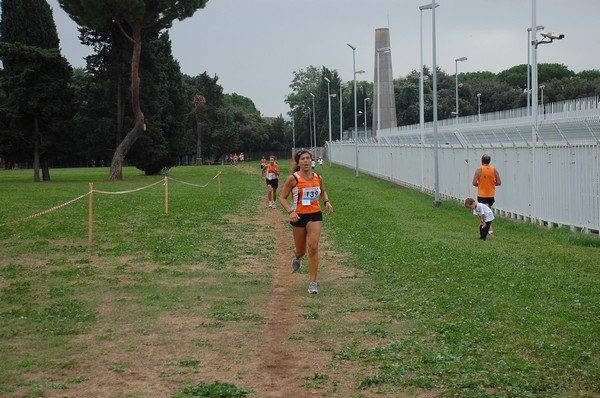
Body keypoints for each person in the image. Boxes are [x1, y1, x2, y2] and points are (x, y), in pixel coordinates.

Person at [279, 150, 333, 294]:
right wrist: (291, 212)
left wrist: (326, 201)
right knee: (301, 250)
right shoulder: (293, 179)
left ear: (311, 161)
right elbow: (282, 197)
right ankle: (297, 257)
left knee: (313, 247)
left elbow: (322, 191)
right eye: (303, 159)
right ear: (298, 163)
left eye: (308, 158)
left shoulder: (317, 177)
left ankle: (313, 283)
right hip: (299, 217)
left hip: (315, 215)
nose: (306, 161)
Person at [472, 154, 501, 235]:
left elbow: (474, 183)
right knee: (488, 211)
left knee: (485, 213)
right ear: (489, 161)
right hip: (491, 194)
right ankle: (485, 227)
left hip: (482, 194)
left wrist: (481, 184)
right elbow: (499, 182)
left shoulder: (479, 170)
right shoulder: (494, 170)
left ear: (481, 161)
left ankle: (489, 230)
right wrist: (491, 184)